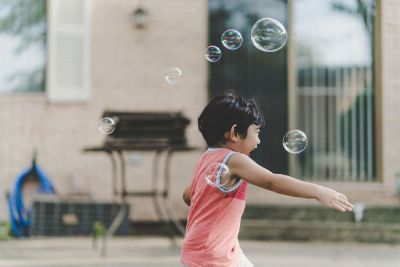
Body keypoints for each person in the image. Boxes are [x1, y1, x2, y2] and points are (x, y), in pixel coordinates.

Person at [180, 93, 354, 267]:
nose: (259, 140)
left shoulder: (206, 158)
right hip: (212, 256)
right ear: (234, 133)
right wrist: (317, 191)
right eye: (256, 132)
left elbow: (188, 196)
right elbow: (272, 181)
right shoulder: (234, 160)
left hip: (207, 248)